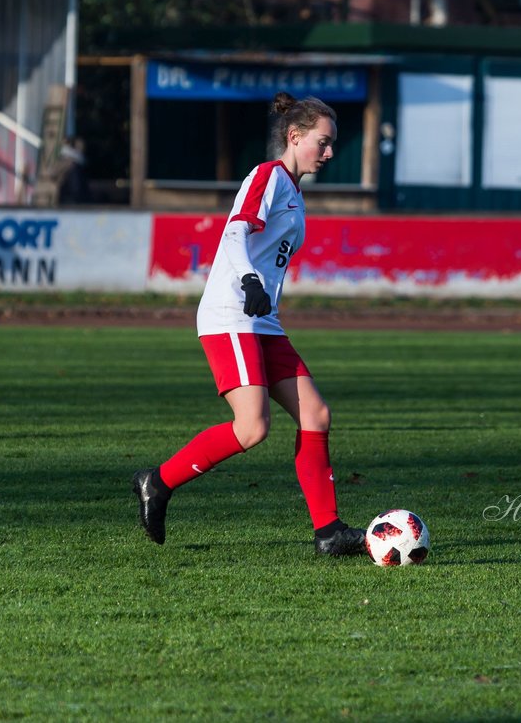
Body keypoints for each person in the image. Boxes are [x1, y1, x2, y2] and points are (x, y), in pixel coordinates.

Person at [131, 92, 365, 556]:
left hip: (263, 322)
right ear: (294, 137)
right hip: (231, 315)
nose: (330, 152)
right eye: (324, 141)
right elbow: (235, 230)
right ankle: (157, 482)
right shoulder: (268, 176)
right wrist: (251, 281)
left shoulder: (294, 192)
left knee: (316, 415)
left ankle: (329, 532)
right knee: (252, 428)